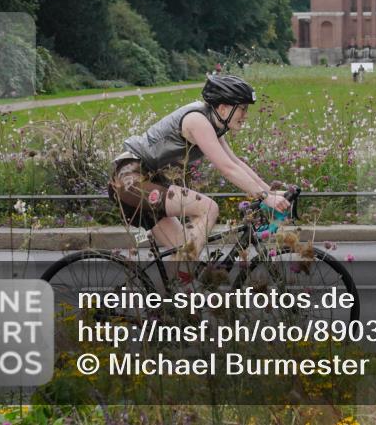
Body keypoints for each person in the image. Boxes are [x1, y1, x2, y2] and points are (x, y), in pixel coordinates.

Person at [108, 74, 290, 284]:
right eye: (242, 108)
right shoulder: (198, 121)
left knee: (185, 248)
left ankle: (168, 307)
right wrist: (266, 196)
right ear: (223, 108)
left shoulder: (213, 123)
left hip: (150, 181)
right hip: (130, 179)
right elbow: (227, 168)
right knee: (208, 208)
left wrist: (270, 191)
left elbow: (236, 163)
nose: (245, 115)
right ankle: (180, 291)